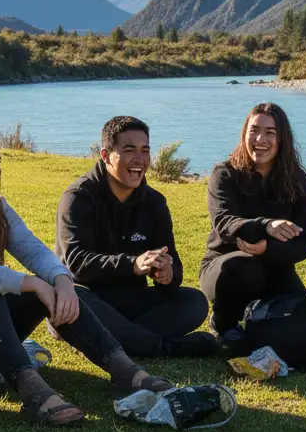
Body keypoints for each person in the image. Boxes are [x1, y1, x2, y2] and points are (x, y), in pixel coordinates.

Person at [0, 129, 172, 427]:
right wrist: (30, 283)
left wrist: (61, 281)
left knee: (50, 284)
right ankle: (34, 392)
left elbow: (33, 249)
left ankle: (124, 371)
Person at [54, 115, 213, 358]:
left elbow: (175, 265)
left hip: (132, 303)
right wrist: (133, 264)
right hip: (86, 299)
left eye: (145, 150)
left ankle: (112, 339)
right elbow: (76, 264)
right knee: (73, 298)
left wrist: (167, 274)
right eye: (129, 150)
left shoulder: (154, 202)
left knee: (195, 302)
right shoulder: (79, 197)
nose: (139, 159)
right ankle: (164, 347)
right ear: (106, 156)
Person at [200, 102, 306, 338]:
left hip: (274, 267)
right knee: (245, 266)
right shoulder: (225, 174)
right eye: (254, 130)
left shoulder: (298, 180)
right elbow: (224, 223)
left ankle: (259, 318)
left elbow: (303, 244)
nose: (260, 139)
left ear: (282, 138)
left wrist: (267, 249)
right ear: (244, 133)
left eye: (270, 132)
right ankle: (224, 321)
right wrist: (266, 226)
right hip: (224, 267)